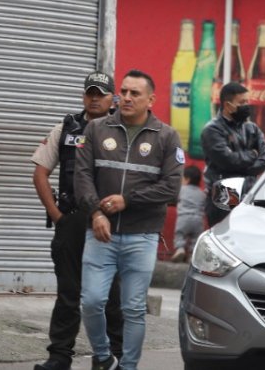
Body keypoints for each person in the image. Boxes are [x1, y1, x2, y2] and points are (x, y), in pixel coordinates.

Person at [75, 69, 182, 370]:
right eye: (124, 91)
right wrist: (96, 212)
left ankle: (128, 366)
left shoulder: (167, 137)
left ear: (151, 99)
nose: (127, 97)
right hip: (99, 233)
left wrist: (128, 200)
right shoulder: (95, 130)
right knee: (92, 302)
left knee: (133, 308)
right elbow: (82, 177)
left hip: (142, 236)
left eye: (135, 93)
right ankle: (104, 356)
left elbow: (171, 188)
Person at [29, 72, 123, 370]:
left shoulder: (123, 131)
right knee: (68, 294)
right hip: (72, 222)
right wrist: (58, 216)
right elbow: (40, 172)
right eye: (89, 93)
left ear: (112, 99)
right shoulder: (66, 128)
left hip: (110, 226)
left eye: (101, 93)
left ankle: (108, 357)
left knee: (111, 296)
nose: (94, 98)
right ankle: (59, 357)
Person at [201, 82, 265, 226]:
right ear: (227, 105)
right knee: (225, 236)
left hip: (251, 192)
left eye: (247, 101)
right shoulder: (212, 130)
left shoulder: (252, 128)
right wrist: (252, 155)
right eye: (242, 102)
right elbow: (228, 161)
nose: (247, 106)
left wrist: (241, 168)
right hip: (225, 191)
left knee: (250, 238)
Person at [171, 165, 206, 262]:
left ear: (187, 179)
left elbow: (174, 199)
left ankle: (180, 249)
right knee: (195, 239)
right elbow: (204, 206)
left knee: (180, 234)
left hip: (183, 218)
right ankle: (192, 256)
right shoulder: (201, 193)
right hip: (198, 221)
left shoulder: (181, 190)